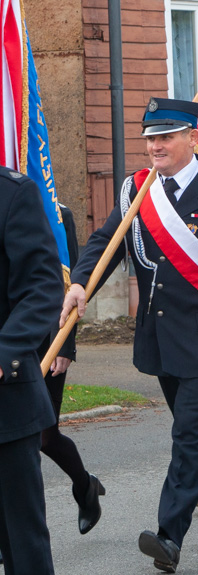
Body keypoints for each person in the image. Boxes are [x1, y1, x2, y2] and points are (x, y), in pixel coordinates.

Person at [61, 97, 198, 573]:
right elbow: (107, 242)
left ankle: (168, 535)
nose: (155, 146)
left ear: (193, 139)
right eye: (150, 138)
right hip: (161, 337)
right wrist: (81, 282)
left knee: (189, 434)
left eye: (166, 136)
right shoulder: (138, 190)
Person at [0, 167, 63, 574]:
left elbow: (42, 287)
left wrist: (5, 351)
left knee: (21, 541)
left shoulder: (13, 194)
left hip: (5, 404)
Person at [40, 206, 108, 534]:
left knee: (44, 435)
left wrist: (64, 344)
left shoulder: (57, 212)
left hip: (44, 339)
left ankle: (85, 488)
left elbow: (67, 282)